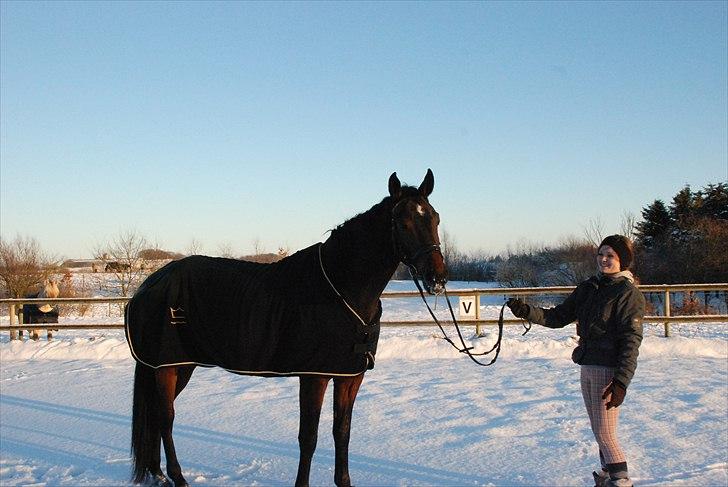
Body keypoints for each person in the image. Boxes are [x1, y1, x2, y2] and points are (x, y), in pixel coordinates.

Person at [507, 235, 645, 487]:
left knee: (605, 432)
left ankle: (621, 481)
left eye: (611, 255)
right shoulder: (589, 287)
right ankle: (606, 476)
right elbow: (558, 316)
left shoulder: (628, 293)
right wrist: (526, 311)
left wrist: (621, 382)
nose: (604, 259)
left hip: (608, 371)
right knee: (598, 430)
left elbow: (631, 340)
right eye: (601, 254)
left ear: (622, 261)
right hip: (588, 365)